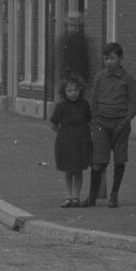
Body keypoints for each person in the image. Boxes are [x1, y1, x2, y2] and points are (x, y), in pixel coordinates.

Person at [83, 41, 136, 207]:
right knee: (98, 161)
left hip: (120, 125)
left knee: (119, 159)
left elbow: (134, 103)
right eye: (105, 59)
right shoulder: (100, 77)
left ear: (120, 58)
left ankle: (114, 194)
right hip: (102, 123)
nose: (108, 62)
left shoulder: (128, 79)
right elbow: (94, 101)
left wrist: (126, 120)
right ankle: (92, 196)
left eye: (112, 58)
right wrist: (94, 121)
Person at [50, 74, 94, 207]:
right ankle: (67, 196)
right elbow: (54, 123)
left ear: (80, 90)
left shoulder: (84, 104)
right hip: (66, 141)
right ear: (64, 92)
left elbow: (89, 119)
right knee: (68, 170)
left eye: (76, 90)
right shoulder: (62, 106)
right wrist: (63, 133)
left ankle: (76, 197)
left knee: (79, 169)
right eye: (69, 91)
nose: (73, 93)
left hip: (81, 141)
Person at [57, 14, 92, 90]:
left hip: (74, 76)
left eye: (72, 25)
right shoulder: (66, 38)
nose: (69, 28)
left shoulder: (76, 40)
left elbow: (76, 60)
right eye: (69, 25)